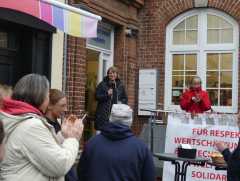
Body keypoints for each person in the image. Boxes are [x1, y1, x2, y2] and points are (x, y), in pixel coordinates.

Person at [0, 74, 83, 181]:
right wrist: (72, 139)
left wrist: (62, 136)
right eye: (47, 95)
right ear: (40, 96)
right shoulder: (31, 126)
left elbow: (38, 149)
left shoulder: (21, 118)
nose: (48, 99)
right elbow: (60, 164)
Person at [77, 104, 155, 181]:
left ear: (110, 118)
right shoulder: (141, 149)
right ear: (130, 121)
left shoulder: (92, 144)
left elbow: (81, 175)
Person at [45, 89, 79, 181]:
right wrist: (72, 137)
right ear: (50, 106)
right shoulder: (45, 127)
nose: (66, 109)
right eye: (62, 105)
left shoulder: (56, 123)